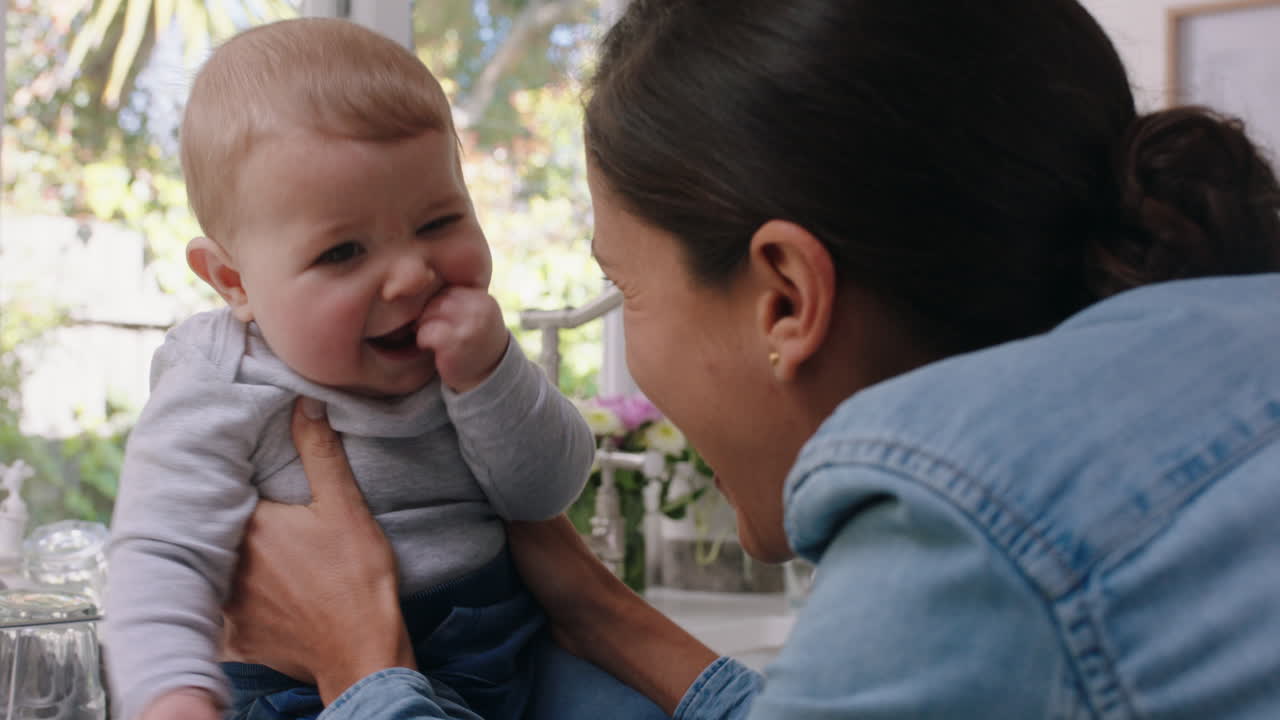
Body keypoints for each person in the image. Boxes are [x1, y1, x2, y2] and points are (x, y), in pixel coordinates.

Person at [217, 1, 1280, 718]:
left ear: (783, 297)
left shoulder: (967, 541)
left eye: (627, 289)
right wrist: (598, 610)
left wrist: (362, 663)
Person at [103, 17, 667, 720]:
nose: (410, 275)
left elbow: (544, 490)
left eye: (438, 223)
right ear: (233, 281)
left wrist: (491, 375)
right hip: (301, 691)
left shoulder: (464, 355)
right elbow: (160, 557)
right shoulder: (223, 381)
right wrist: (172, 697)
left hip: (515, 651)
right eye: (342, 253)